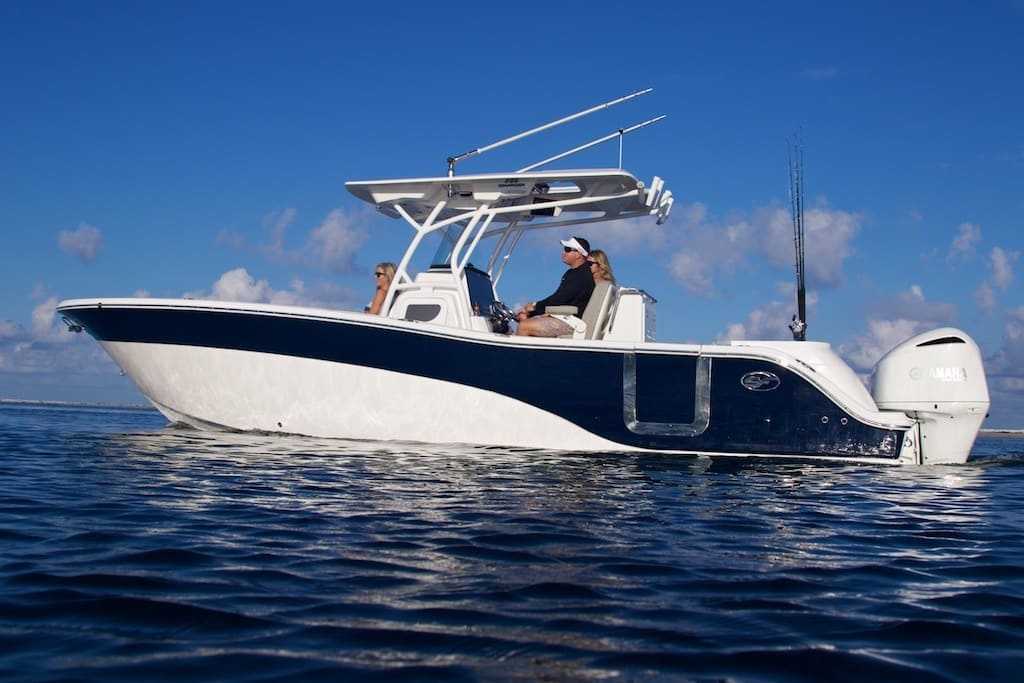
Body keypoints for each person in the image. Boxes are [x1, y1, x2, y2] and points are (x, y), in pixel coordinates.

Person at [514, 236, 595, 337]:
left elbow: (559, 299)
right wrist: (531, 313)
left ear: (579, 254)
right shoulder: (573, 273)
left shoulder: (582, 275)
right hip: (565, 317)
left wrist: (534, 307)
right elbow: (559, 300)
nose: (563, 253)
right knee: (526, 320)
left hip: (573, 322)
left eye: (567, 249)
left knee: (524, 326)